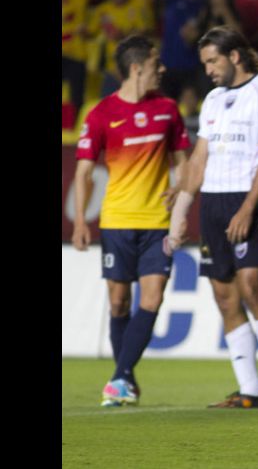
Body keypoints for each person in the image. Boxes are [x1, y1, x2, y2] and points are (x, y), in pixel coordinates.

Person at [165, 26, 258, 409]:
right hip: (214, 204)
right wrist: (183, 203)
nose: (207, 69)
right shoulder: (213, 100)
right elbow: (199, 158)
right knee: (224, 295)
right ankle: (250, 390)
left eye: (212, 61)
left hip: (246, 200)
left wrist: (247, 209)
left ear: (234, 56)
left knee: (251, 285)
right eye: (204, 62)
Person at [71, 34, 191, 407]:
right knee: (119, 302)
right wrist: (79, 221)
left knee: (152, 298)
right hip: (117, 220)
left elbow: (184, 160)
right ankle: (127, 378)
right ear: (138, 68)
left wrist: (181, 189)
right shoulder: (100, 114)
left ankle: (119, 377)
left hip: (157, 222)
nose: (163, 69)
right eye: (157, 64)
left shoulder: (168, 109)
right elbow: (84, 172)